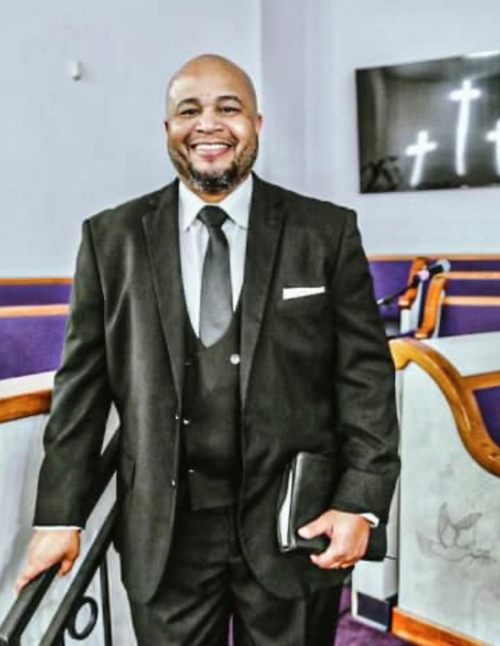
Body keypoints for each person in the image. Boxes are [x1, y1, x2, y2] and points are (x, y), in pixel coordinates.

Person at [16, 54, 400, 645]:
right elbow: (81, 391)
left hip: (293, 522)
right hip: (165, 535)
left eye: (229, 108)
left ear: (257, 124)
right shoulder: (110, 239)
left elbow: (365, 379)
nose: (208, 124)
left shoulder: (326, 231)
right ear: (168, 128)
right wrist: (58, 516)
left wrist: (361, 502)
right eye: (188, 110)